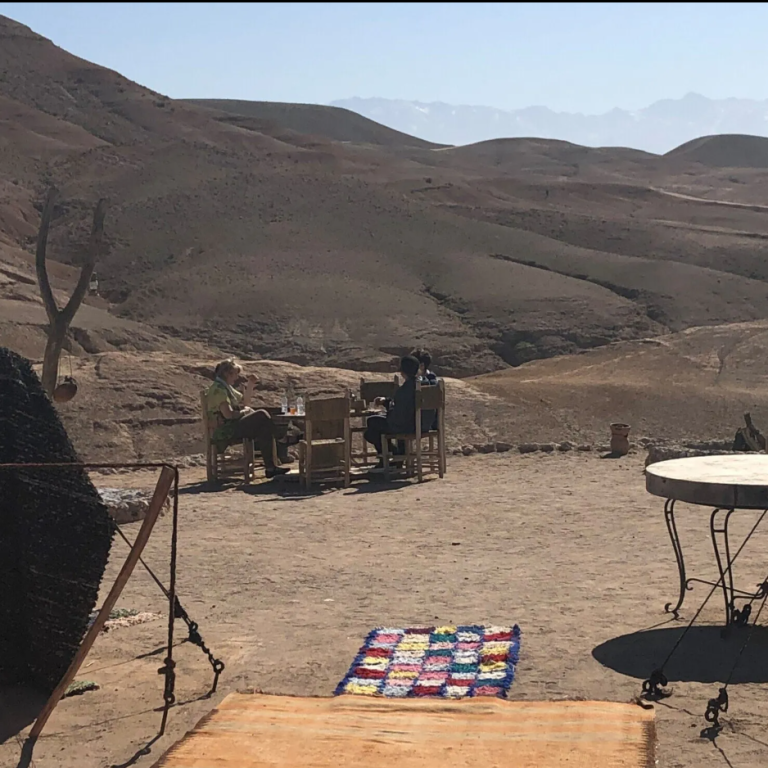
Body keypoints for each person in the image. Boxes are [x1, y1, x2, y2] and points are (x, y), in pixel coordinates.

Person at [205, 359, 290, 478]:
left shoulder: (226, 387)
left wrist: (250, 385)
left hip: (232, 426)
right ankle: (281, 439)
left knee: (263, 426)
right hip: (226, 430)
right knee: (261, 415)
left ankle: (271, 467)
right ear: (227, 374)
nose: (236, 378)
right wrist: (244, 412)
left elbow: (246, 402)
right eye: (235, 374)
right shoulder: (219, 390)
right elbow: (228, 415)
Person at [363, 356, 436, 464]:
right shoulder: (425, 383)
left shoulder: (405, 389)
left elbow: (399, 416)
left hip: (408, 426)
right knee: (382, 424)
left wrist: (388, 408)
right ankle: (397, 457)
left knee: (371, 426)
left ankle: (390, 457)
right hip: (423, 425)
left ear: (403, 371)